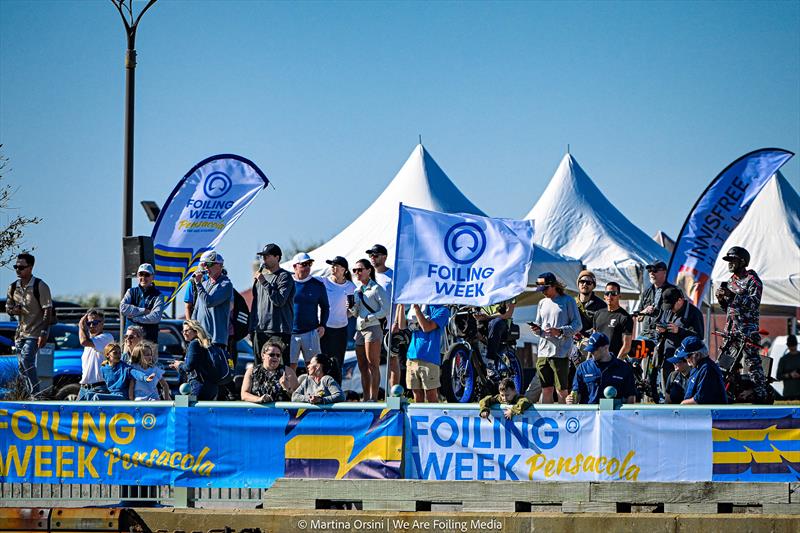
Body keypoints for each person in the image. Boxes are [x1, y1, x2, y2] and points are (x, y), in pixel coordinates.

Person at [715, 246, 768, 403]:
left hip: (747, 331)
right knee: (725, 363)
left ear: (742, 262)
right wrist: (722, 299)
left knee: (752, 364)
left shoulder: (752, 280)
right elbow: (728, 308)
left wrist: (733, 296)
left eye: (732, 260)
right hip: (731, 330)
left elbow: (753, 303)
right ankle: (730, 393)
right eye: (728, 261)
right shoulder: (731, 281)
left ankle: (761, 395)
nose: (729, 264)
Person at [529, 272, 582, 404]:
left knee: (561, 390)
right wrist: (536, 330)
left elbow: (578, 325)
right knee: (546, 389)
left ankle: (563, 419)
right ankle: (547, 419)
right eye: (541, 290)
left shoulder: (568, 301)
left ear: (553, 285)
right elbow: (539, 325)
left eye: (545, 289)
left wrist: (560, 331)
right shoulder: (542, 303)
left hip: (561, 352)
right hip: (543, 351)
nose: (543, 293)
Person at [6, 252, 53, 397]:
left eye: (21, 267)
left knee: (27, 359)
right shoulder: (13, 287)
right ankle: (29, 394)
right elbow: (8, 309)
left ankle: (36, 394)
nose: (18, 270)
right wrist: (14, 310)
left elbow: (48, 310)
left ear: (30, 268)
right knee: (22, 366)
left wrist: (44, 333)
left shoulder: (40, 286)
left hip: (35, 332)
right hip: (20, 333)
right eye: (16, 267)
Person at [350, 258, 389, 401]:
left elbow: (386, 309)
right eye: (354, 270)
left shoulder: (376, 288)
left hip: (372, 327)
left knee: (373, 364)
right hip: (359, 329)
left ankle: (373, 398)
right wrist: (351, 308)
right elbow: (356, 313)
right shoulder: (357, 290)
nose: (357, 273)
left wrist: (370, 317)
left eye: (360, 270)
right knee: (362, 366)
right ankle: (366, 398)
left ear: (368, 270)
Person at [250, 243, 295, 366]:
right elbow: (256, 303)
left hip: (278, 330)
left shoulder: (284, 277)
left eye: (267, 256)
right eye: (262, 256)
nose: (264, 259)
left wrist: (264, 282)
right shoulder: (260, 278)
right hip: (260, 330)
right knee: (259, 367)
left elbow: (279, 300)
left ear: (277, 257)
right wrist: (251, 327)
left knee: (280, 367)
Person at [397, 303, 449, 403]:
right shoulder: (419, 306)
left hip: (430, 358)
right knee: (416, 394)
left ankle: (433, 417)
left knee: (431, 395)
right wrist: (401, 305)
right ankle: (419, 418)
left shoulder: (442, 310)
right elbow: (402, 326)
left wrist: (416, 308)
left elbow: (427, 327)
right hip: (412, 357)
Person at [567, 332, 636, 405]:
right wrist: (571, 399)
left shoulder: (624, 368)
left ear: (606, 347)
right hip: (590, 414)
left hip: (615, 413)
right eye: (590, 349)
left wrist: (627, 414)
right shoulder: (583, 368)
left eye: (594, 349)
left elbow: (630, 397)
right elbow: (576, 393)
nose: (592, 352)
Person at [289, 252, 329, 371]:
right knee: (290, 367)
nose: (307, 267)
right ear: (295, 267)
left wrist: (322, 325)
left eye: (309, 264)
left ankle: (314, 390)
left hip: (311, 332)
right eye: (304, 264)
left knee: (314, 367)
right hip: (291, 333)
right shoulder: (288, 284)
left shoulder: (317, 285)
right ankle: (290, 390)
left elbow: (325, 306)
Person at [320, 256, 356, 383]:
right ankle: (322, 390)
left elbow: (352, 311)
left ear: (344, 270)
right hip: (324, 328)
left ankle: (337, 390)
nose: (333, 268)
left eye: (336, 266)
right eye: (332, 265)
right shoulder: (323, 281)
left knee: (337, 362)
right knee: (323, 362)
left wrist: (348, 312)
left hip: (341, 329)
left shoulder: (351, 287)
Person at [367, 244, 399, 386]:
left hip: (389, 324)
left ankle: (393, 397)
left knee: (392, 360)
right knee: (372, 362)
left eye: (375, 255)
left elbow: (400, 302)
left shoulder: (393, 276)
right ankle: (373, 397)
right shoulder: (367, 275)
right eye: (371, 255)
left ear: (384, 257)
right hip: (371, 324)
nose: (372, 258)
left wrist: (396, 322)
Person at [191, 250, 234, 351]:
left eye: (209, 264)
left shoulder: (226, 284)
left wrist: (198, 284)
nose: (206, 267)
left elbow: (209, 302)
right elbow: (196, 309)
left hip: (216, 339)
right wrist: (192, 329)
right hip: (200, 338)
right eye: (203, 264)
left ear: (219, 265)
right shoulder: (204, 284)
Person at [170, 320, 218, 401]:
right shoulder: (205, 344)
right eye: (183, 331)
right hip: (211, 387)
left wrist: (179, 365)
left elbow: (189, 367)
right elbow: (197, 364)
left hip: (198, 386)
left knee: (188, 411)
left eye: (187, 330)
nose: (184, 333)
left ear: (196, 331)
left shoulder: (194, 344)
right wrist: (183, 363)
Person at [240, 339, 299, 404]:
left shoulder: (288, 371)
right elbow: (244, 394)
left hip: (282, 412)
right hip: (257, 411)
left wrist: (288, 389)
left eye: (278, 355)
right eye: (272, 355)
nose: (275, 357)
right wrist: (259, 399)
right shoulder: (252, 371)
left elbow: (298, 397)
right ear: (263, 355)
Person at [673, 336, 727, 405]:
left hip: (710, 414)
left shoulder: (707, 369)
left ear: (697, 355)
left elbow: (700, 399)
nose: (686, 359)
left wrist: (683, 404)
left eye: (687, 356)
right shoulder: (696, 368)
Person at [119, 263, 165, 343]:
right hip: (130, 341)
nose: (143, 278)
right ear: (137, 276)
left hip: (149, 342)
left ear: (153, 277)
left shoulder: (158, 295)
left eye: (147, 275)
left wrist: (135, 318)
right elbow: (123, 308)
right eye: (141, 274)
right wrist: (143, 310)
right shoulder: (131, 291)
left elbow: (155, 317)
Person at [657, 287, 705, 359]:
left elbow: (699, 337)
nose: (670, 309)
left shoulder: (695, 313)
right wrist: (662, 331)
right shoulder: (668, 310)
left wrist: (679, 330)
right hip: (667, 353)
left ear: (679, 300)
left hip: (683, 357)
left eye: (671, 306)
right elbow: (662, 323)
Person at [78, 309, 114, 400]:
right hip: (83, 388)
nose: (91, 325)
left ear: (102, 323)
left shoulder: (107, 337)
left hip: (99, 388)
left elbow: (83, 341)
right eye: (88, 323)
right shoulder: (90, 341)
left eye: (95, 323)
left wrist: (80, 326)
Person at [635, 261, 677, 340]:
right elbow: (638, 318)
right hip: (646, 335)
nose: (651, 273)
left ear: (664, 272)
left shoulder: (673, 292)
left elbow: (679, 316)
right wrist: (644, 311)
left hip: (665, 337)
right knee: (633, 349)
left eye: (655, 270)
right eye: (649, 271)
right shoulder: (646, 292)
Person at [592, 282, 633, 358]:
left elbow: (626, 346)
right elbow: (593, 340)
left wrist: (616, 362)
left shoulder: (625, 317)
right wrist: (590, 359)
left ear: (619, 296)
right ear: (604, 296)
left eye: (613, 293)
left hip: (613, 361)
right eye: (607, 293)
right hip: (597, 359)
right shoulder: (598, 314)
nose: (610, 296)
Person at [474, 298, 516, 366]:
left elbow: (508, 314)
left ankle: (491, 362)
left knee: (495, 323)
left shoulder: (508, 291)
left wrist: (488, 317)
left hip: (502, 323)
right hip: (483, 322)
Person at [575, 270, 605, 337]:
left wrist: (584, 336)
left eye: (588, 282)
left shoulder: (601, 305)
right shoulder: (571, 303)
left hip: (591, 342)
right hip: (572, 342)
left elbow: (601, 326)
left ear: (593, 286)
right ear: (578, 284)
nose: (585, 284)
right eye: (582, 281)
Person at [776, 335, 800, 401]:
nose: (792, 347)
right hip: (788, 394)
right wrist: (790, 375)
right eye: (791, 345)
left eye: (793, 345)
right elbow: (778, 376)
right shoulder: (784, 359)